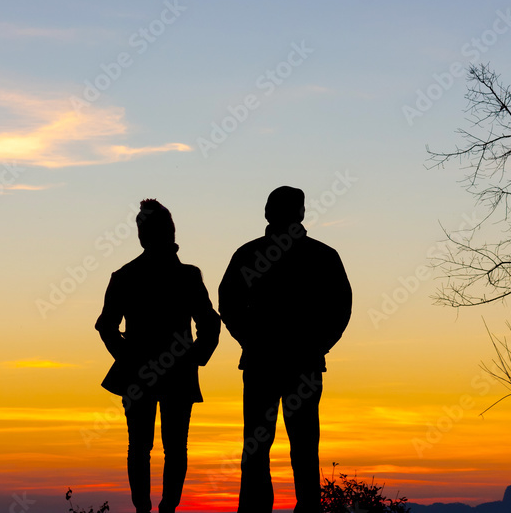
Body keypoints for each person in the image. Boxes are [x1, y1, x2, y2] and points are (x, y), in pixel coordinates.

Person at [218, 186, 352, 513]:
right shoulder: (321, 256)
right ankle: (297, 509)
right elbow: (341, 308)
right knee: (297, 448)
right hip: (291, 364)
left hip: (271, 364)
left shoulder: (251, 254)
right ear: (301, 214)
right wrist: (318, 345)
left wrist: (250, 340)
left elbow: (228, 304)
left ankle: (261, 510)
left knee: (266, 447)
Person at [95, 198, 221, 513]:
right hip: (165, 373)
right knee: (161, 447)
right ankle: (156, 510)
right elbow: (107, 326)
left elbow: (209, 324)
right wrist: (194, 356)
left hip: (156, 373)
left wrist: (194, 356)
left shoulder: (129, 275)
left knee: (149, 447)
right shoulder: (182, 276)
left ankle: (155, 510)